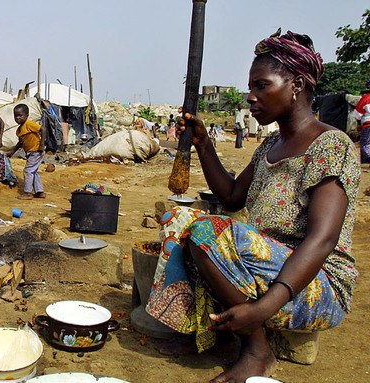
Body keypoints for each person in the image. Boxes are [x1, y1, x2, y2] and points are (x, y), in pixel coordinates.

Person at [146, 30, 360, 382]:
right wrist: (202, 144)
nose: (250, 97)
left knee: (206, 231)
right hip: (267, 269)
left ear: (297, 85)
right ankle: (202, 329)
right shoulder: (270, 147)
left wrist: (263, 308)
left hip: (317, 284)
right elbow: (231, 197)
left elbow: (321, 240)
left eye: (262, 85)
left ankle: (257, 351)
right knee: (177, 218)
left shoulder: (330, 146)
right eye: (252, 87)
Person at [8, 104, 46, 200]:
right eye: (16, 116)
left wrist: (42, 145)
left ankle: (28, 192)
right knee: (33, 171)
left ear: (27, 115)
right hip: (30, 152)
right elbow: (20, 143)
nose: (17, 118)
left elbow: (43, 129)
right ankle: (39, 192)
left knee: (28, 171)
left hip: (36, 150)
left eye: (20, 115)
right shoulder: (19, 130)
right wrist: (12, 152)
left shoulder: (29, 124)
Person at [352, 80, 370, 163]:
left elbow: (357, 115)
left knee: (365, 144)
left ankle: (368, 161)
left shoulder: (366, 98)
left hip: (367, 126)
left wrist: (358, 124)